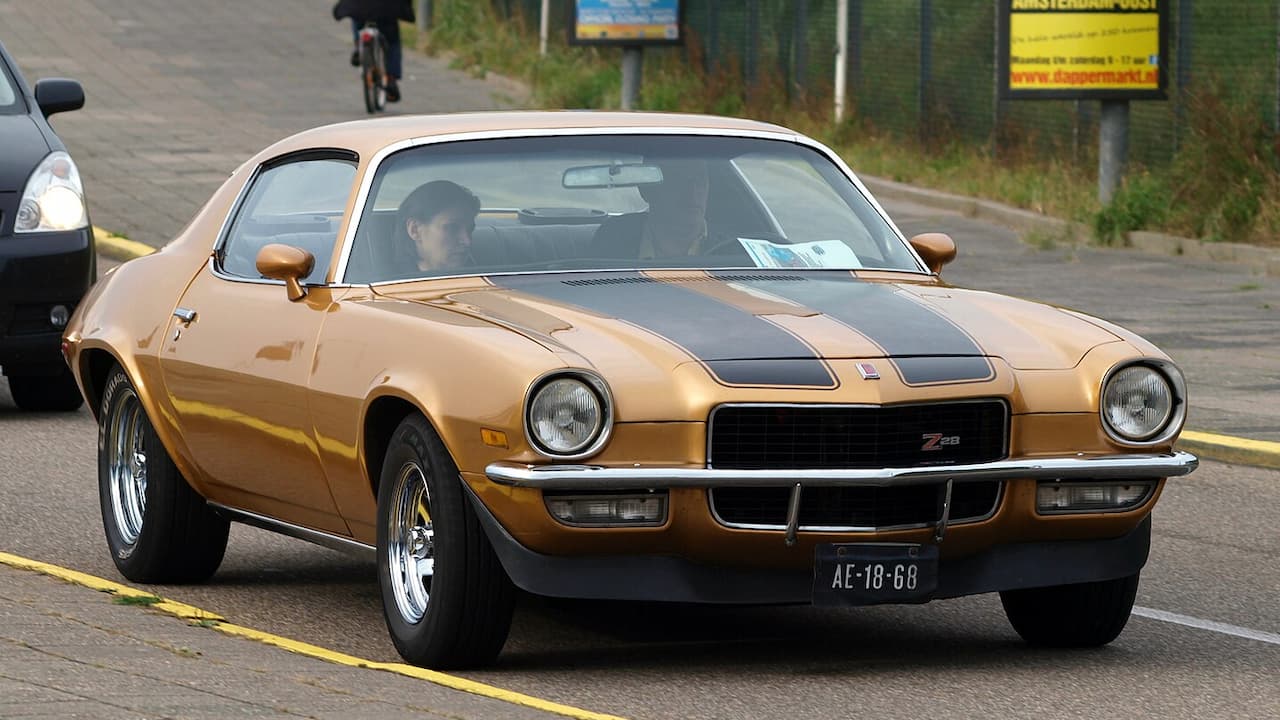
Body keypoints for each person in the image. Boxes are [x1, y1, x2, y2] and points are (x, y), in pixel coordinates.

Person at [588, 158, 721, 260]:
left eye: (699, 181)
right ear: (648, 190)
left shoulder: (732, 248)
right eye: (679, 181)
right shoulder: (613, 239)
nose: (692, 193)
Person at [332, 0, 414, 102]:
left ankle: (359, 44)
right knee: (392, 41)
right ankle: (390, 78)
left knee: (356, 16)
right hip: (387, 9)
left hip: (359, 7)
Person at [394, 180, 480, 276]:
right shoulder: (393, 286)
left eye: (470, 230)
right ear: (415, 230)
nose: (467, 241)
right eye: (452, 228)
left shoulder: (479, 277)